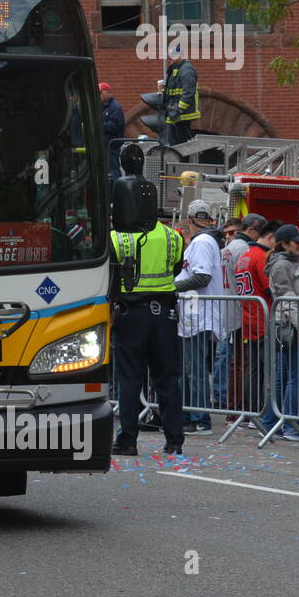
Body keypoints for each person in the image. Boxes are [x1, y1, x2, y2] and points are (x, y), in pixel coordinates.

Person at [110, 217, 187, 456]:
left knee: (130, 380)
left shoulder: (118, 237)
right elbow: (175, 269)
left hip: (130, 314)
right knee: (167, 380)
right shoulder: (173, 236)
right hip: (164, 315)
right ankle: (174, 441)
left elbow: (110, 277)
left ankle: (128, 440)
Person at [177, 200, 224, 435]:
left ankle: (199, 419)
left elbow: (202, 277)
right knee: (189, 370)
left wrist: (171, 287)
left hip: (199, 315)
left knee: (195, 370)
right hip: (192, 315)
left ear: (189, 218)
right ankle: (189, 415)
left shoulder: (203, 242)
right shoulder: (199, 242)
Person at [265, 224, 299, 441]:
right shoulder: (282, 265)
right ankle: (291, 425)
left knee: (285, 376)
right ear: (284, 243)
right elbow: (288, 298)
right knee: (294, 376)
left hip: (286, 323)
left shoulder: (287, 262)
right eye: (296, 241)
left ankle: (272, 422)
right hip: (289, 325)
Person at [233, 221, 275, 422]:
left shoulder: (245, 255)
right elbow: (271, 290)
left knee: (253, 370)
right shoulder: (261, 257)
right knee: (266, 371)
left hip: (249, 318)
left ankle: (252, 413)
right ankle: (261, 414)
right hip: (262, 319)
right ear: (271, 237)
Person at [158, 43, 200, 145]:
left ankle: (184, 160)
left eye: (171, 56)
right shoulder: (176, 69)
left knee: (183, 144)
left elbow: (188, 93)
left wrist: (178, 110)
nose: (169, 59)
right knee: (176, 143)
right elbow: (174, 93)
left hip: (182, 114)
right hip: (175, 113)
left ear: (179, 56)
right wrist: (163, 90)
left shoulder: (186, 70)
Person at [100, 82, 125, 185]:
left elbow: (115, 126)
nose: (99, 96)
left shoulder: (115, 107)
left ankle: (116, 195)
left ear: (107, 92)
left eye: (100, 93)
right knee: (106, 172)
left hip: (112, 146)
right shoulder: (102, 107)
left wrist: (100, 126)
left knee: (114, 171)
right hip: (104, 145)